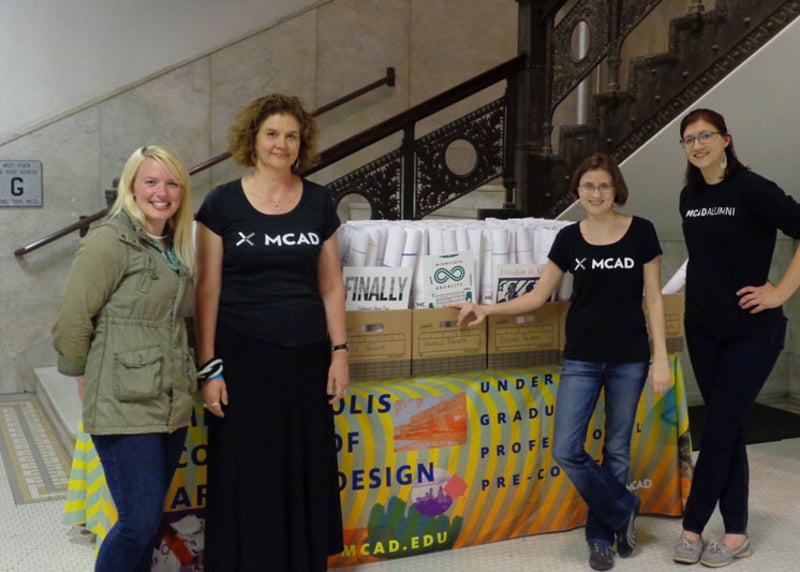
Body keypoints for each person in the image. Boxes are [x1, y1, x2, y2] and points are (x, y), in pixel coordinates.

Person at [452, 153, 672, 571]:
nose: (596, 193)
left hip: (629, 357)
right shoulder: (569, 238)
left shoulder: (641, 231)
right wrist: (487, 308)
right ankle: (623, 506)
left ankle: (600, 539)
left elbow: (654, 299)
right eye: (588, 186)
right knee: (567, 449)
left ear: (616, 189)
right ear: (578, 191)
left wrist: (660, 358)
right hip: (582, 357)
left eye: (603, 186)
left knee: (617, 449)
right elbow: (538, 296)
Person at [194, 93, 348, 571]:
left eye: (291, 136)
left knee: (303, 466)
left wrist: (340, 352)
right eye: (272, 134)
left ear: (302, 143)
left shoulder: (319, 201)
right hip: (243, 359)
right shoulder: (221, 203)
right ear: (253, 139)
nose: (282, 144)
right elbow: (206, 291)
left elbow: (331, 286)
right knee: (249, 469)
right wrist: (208, 368)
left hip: (306, 358)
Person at [53, 145, 196, 572]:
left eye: (172, 183)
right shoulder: (110, 240)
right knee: (137, 523)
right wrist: (81, 374)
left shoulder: (172, 244)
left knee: (147, 521)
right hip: (123, 400)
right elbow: (73, 316)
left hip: (169, 399)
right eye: (150, 181)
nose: (161, 192)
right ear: (132, 186)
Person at [672, 108, 800, 568]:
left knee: (719, 428)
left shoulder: (753, 189)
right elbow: (707, 257)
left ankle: (691, 527)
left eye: (706, 135)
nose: (698, 145)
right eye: (689, 139)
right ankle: (737, 533)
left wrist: (779, 292)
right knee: (729, 428)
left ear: (726, 139)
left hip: (753, 331)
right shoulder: (689, 196)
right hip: (703, 329)